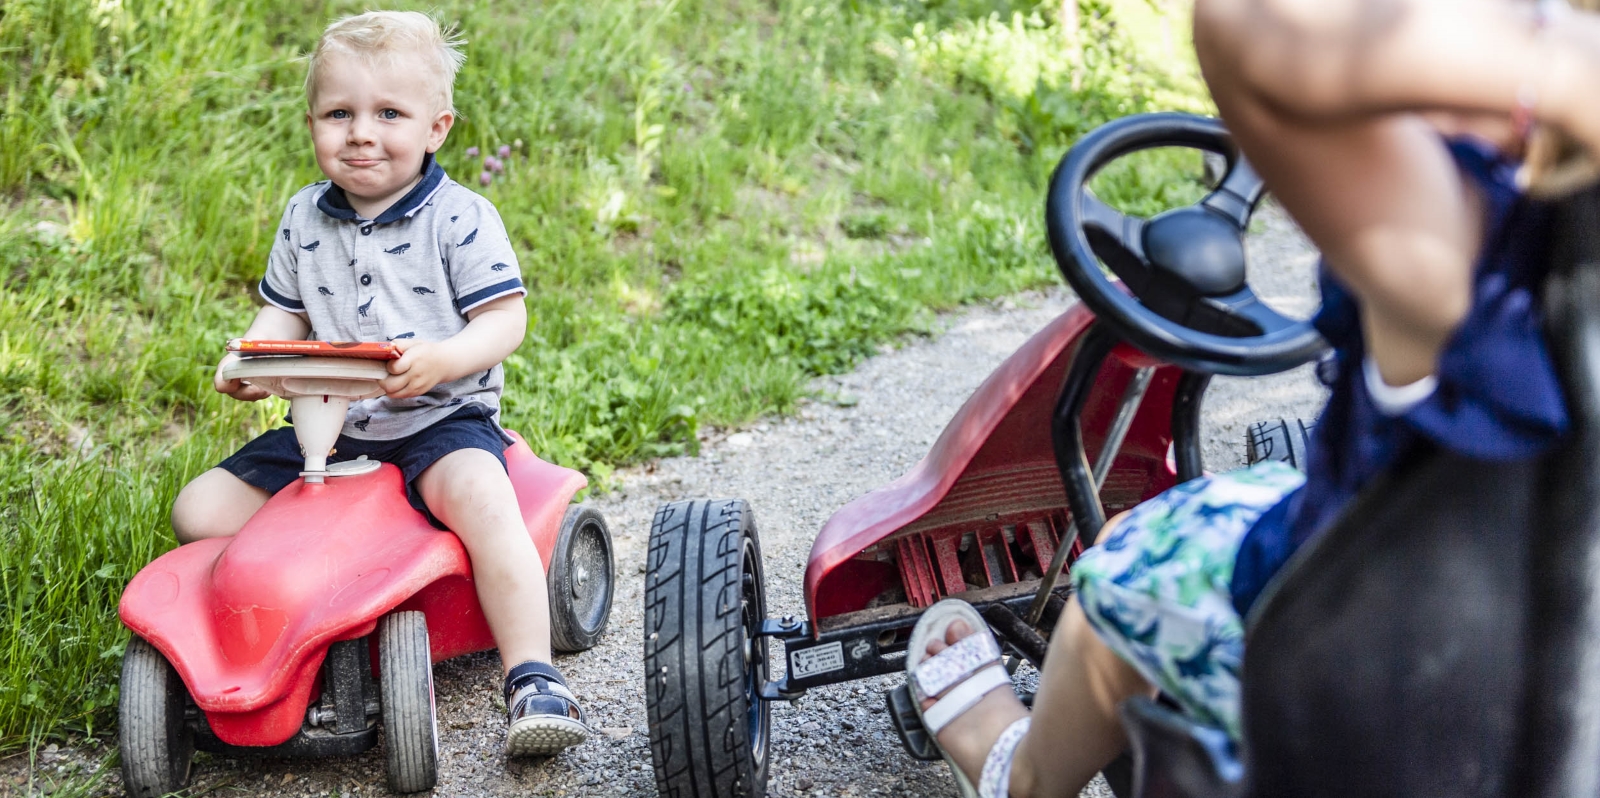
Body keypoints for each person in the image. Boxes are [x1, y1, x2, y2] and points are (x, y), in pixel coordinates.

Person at [904, 0, 1600, 795]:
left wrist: (1560, 64)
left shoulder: (1487, 264)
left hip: (1388, 681)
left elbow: (1251, 25)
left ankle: (1018, 775)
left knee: (1122, 566)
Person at [168, 10, 588, 757]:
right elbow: (282, 312)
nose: (361, 132)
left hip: (438, 419)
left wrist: (446, 356)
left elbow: (505, 322)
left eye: (388, 113)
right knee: (198, 510)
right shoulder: (304, 217)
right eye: (340, 113)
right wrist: (254, 360)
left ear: (436, 127)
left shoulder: (460, 218)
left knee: (486, 506)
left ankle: (534, 677)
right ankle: (272, 635)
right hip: (331, 430)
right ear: (312, 124)